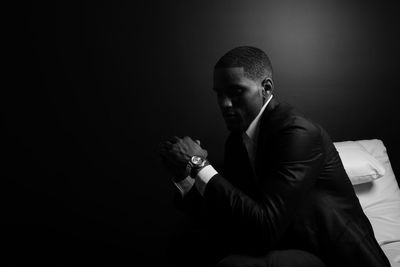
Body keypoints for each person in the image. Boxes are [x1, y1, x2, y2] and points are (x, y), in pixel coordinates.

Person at [158, 46, 390, 267]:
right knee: (190, 246)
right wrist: (185, 175)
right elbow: (232, 212)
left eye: (236, 92)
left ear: (266, 88)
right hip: (291, 245)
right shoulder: (238, 140)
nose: (225, 104)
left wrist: (199, 164)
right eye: (219, 94)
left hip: (334, 255)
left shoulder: (297, 134)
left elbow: (265, 227)